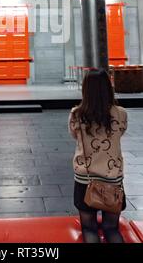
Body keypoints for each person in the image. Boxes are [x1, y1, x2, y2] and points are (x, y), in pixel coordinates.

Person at [68, 69, 127, 243]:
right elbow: (120, 133)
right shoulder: (121, 113)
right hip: (113, 180)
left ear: (85, 89)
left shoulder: (77, 115)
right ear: (108, 87)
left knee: (89, 229)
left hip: (85, 180)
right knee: (112, 229)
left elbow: (75, 136)